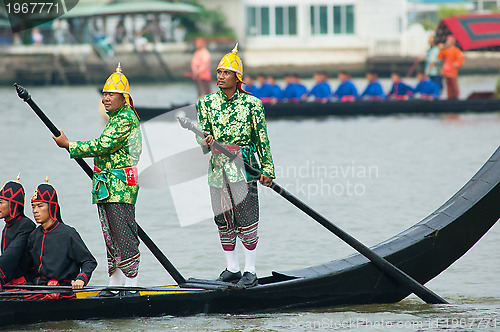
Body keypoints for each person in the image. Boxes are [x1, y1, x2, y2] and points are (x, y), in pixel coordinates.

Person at [53, 64, 142, 297]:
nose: (105, 98)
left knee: (124, 236)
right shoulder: (113, 120)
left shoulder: (126, 118)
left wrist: (70, 145)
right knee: (111, 238)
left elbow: (103, 145)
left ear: (124, 98)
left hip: (120, 187)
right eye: (104, 94)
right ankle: (115, 285)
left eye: (111, 94)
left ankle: (131, 288)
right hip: (105, 188)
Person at [197, 44, 275, 288]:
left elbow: (262, 139)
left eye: (226, 73)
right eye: (218, 72)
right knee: (222, 218)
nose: (220, 76)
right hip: (217, 169)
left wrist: (268, 170)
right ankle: (232, 268)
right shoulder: (206, 103)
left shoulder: (253, 104)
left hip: (244, 166)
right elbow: (203, 141)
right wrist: (205, 141)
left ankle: (250, 270)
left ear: (237, 78)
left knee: (247, 217)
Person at [26, 180, 97, 299]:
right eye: (33, 206)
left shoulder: (68, 233)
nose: (35, 211)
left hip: (64, 292)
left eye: (40, 206)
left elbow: (89, 261)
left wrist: (81, 278)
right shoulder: (33, 236)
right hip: (39, 290)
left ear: (51, 206)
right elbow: (28, 268)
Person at [0, 175, 35, 286]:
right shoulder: (7, 226)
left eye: (1, 202)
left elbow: (11, 254)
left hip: (26, 282)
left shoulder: (26, 225)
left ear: (13, 204)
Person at [438, 35, 465, 100]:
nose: (447, 42)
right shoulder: (445, 50)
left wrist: (457, 64)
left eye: (449, 41)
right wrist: (441, 49)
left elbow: (461, 58)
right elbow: (440, 58)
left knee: (454, 86)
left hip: (452, 71)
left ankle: (455, 98)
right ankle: (449, 98)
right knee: (448, 86)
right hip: (446, 71)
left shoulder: (456, 50)